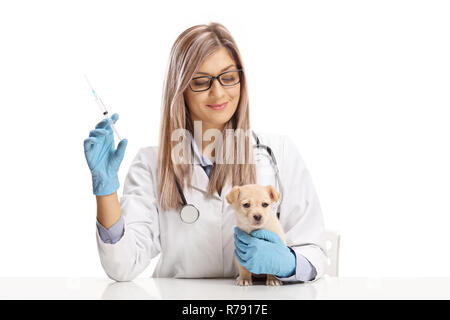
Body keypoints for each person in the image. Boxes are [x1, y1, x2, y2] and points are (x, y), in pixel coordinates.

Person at [83, 22, 328, 283]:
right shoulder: (151, 164)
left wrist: (288, 264)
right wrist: (105, 190)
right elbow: (122, 266)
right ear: (180, 91)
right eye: (201, 81)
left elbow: (314, 252)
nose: (218, 92)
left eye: (229, 77)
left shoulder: (278, 153)